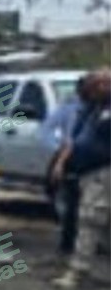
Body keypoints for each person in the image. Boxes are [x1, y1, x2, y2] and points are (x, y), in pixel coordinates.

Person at [52, 70, 111, 289]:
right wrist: (61, 162)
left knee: (90, 218)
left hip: (104, 170)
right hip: (87, 171)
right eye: (94, 84)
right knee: (99, 222)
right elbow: (75, 140)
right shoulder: (91, 110)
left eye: (103, 83)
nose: (97, 88)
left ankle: (78, 270)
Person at [44, 75, 92, 255]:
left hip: (94, 159)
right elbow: (48, 129)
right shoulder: (69, 107)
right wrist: (58, 150)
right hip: (71, 156)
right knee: (72, 202)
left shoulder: (99, 109)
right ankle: (68, 244)